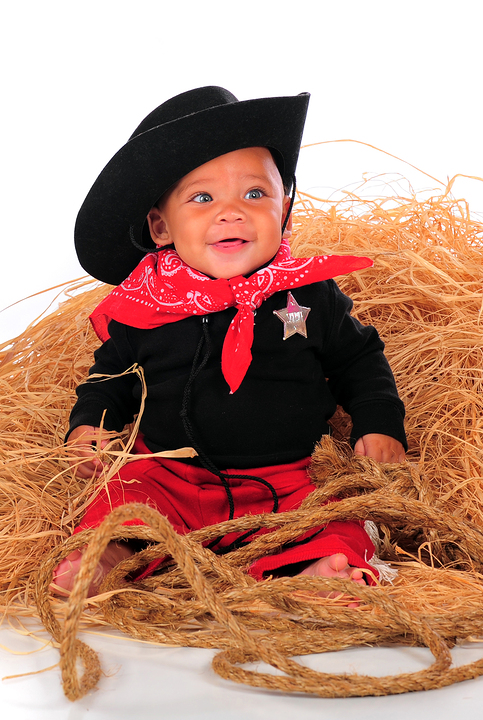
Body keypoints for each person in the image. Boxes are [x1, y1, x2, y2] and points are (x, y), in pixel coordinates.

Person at [54, 86, 407, 599]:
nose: (231, 212)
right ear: (160, 226)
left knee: (338, 515)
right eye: (202, 198)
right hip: (167, 478)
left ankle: (316, 571)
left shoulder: (308, 292)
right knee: (123, 503)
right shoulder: (147, 304)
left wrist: (379, 424)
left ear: (285, 207)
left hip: (284, 483)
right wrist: (90, 427)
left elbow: (359, 360)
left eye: (255, 194)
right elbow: (111, 378)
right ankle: (108, 555)